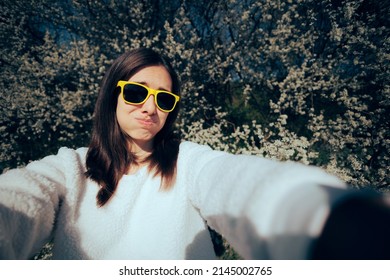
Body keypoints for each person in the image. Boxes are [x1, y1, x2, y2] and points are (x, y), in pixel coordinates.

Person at [0, 48, 389, 260]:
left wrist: (324, 219)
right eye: (136, 93)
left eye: (164, 99)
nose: (150, 108)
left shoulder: (188, 162)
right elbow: (21, 198)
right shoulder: (70, 168)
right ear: (113, 95)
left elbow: (237, 184)